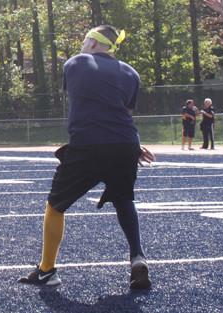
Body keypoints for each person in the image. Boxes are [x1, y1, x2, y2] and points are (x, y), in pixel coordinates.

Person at [18, 25, 155, 290]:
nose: (82, 45)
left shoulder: (76, 63)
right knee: (124, 199)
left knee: (56, 205)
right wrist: (134, 146)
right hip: (126, 143)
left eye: (84, 40)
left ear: (93, 43)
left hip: (89, 144)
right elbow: (122, 114)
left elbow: (85, 99)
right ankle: (137, 256)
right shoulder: (131, 73)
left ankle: (47, 270)